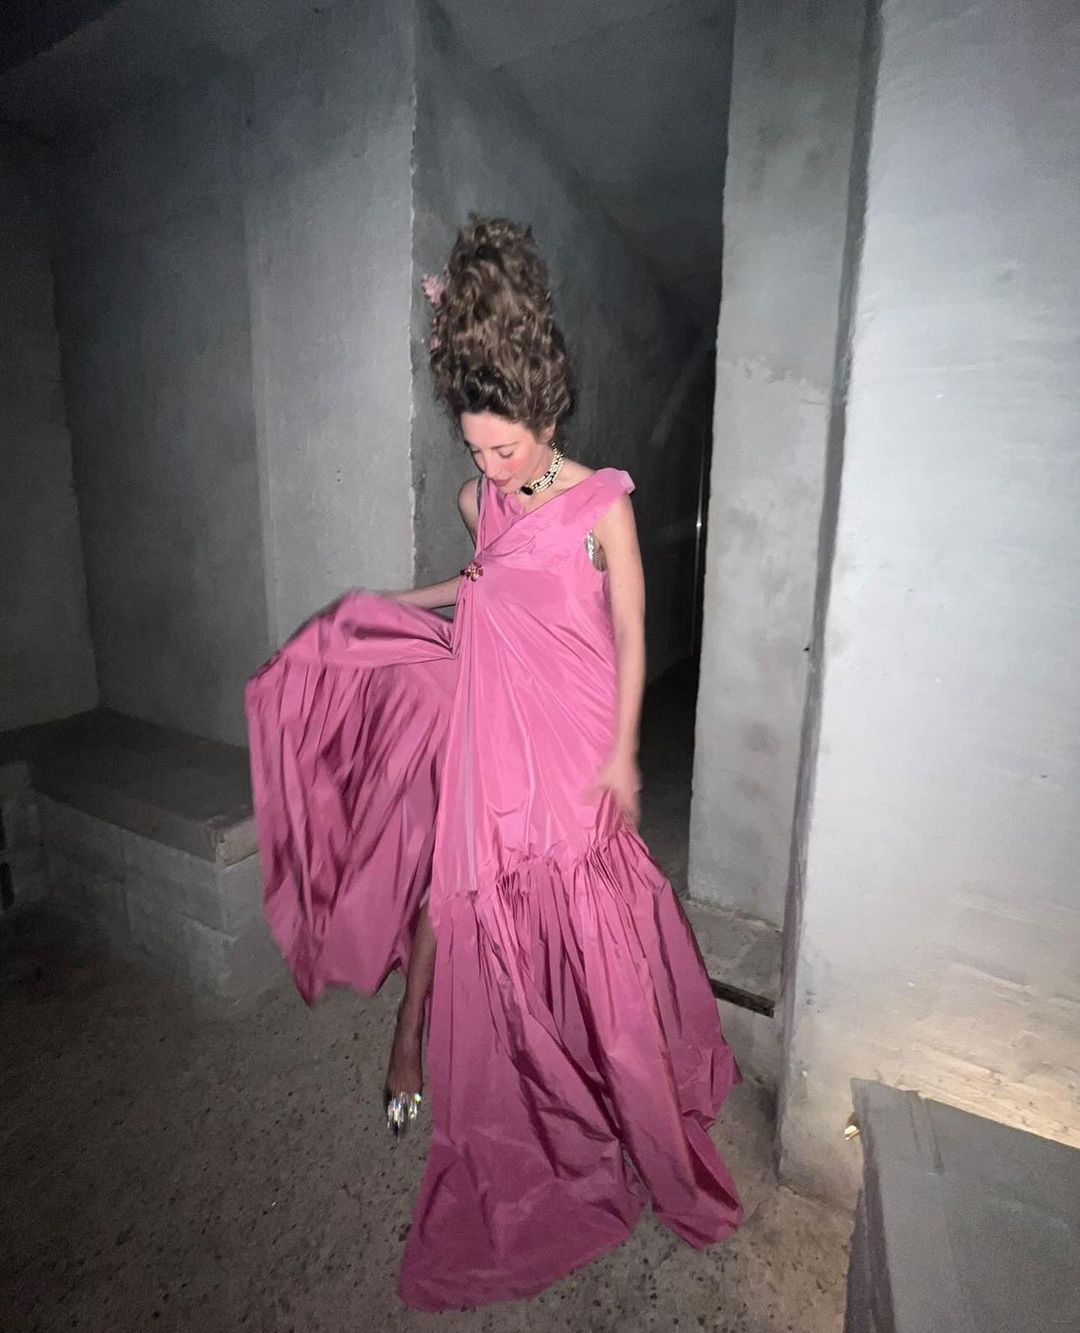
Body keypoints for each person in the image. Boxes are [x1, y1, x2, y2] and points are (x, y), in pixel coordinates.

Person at [245, 216, 742, 1312]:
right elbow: (480, 587)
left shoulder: (601, 502)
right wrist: (381, 606)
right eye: (472, 448)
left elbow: (633, 633)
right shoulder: (482, 499)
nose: (485, 466)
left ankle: (627, 1106)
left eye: (501, 447)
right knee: (463, 885)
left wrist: (625, 757)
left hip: (575, 737)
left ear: (546, 413)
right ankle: (412, 1043)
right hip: (493, 716)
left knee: (590, 920)